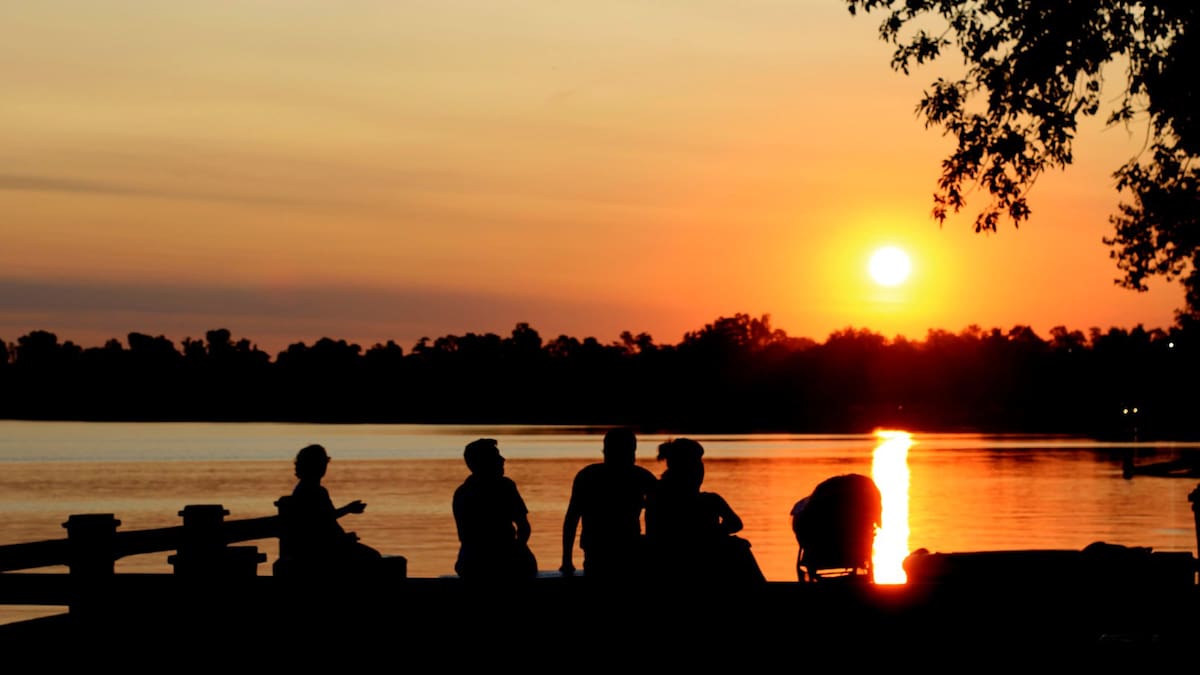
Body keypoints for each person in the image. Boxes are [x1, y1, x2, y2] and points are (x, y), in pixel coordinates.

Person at [644, 437, 765, 586]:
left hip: (683, 557)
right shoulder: (664, 497)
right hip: (679, 560)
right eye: (696, 464)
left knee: (737, 547)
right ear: (684, 468)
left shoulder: (657, 494)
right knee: (739, 549)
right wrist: (714, 535)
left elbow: (736, 523)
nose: (701, 470)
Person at [560, 427, 658, 582]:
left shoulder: (641, 477)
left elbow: (571, 519)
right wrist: (566, 560)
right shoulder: (588, 477)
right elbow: (571, 519)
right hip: (599, 552)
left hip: (627, 550)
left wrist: (566, 559)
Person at [279, 443, 382, 574]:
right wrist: (348, 510)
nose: (324, 467)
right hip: (323, 549)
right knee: (373, 557)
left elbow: (324, 521)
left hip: (323, 545)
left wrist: (344, 537)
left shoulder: (303, 489)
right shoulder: (314, 491)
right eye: (321, 463)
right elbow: (322, 521)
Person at [452, 438, 538, 584]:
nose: (503, 459)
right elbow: (523, 526)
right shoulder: (505, 486)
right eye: (496, 456)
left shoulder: (462, 492)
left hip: (471, 564)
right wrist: (519, 549)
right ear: (484, 462)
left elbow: (467, 537)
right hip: (501, 562)